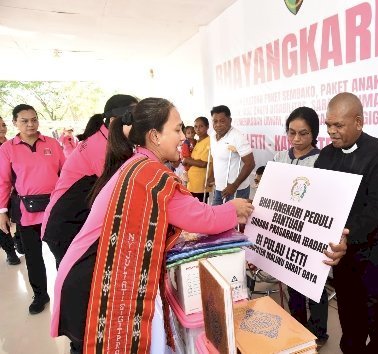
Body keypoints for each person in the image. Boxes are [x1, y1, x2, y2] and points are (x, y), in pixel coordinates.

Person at [50, 98, 255, 354]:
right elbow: (201, 218)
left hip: (87, 274)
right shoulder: (150, 175)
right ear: (155, 136)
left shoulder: (140, 163)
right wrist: (234, 209)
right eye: (178, 129)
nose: (184, 136)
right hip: (92, 282)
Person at [314, 93, 378, 353]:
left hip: (377, 256)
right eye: (328, 125)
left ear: (359, 122)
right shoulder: (326, 156)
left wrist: (346, 235)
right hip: (344, 257)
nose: (331, 131)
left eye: (338, 125)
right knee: (350, 322)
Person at [42, 95, 138, 268]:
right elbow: (122, 193)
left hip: (79, 220)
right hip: (65, 224)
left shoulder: (110, 140)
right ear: (115, 119)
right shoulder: (101, 146)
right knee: (75, 285)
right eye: (132, 116)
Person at [0, 104, 65, 314]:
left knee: (62, 255)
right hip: (26, 211)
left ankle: (65, 292)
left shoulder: (52, 143)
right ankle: (40, 295)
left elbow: (66, 174)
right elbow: (3, 182)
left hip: (54, 210)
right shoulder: (7, 148)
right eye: (25, 121)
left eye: (34, 119)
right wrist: (2, 212)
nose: (31, 124)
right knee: (34, 257)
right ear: (15, 123)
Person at [273, 106, 329, 347]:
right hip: (288, 230)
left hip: (312, 232)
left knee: (315, 284)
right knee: (292, 281)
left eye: (303, 133)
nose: (296, 139)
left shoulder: (323, 160)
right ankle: (298, 327)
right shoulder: (280, 158)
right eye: (291, 132)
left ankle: (319, 332)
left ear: (314, 134)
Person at [209, 105, 255, 204]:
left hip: (236, 190)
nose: (218, 125)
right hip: (219, 188)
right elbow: (215, 158)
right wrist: (211, 175)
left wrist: (234, 185)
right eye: (215, 121)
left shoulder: (237, 137)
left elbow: (250, 164)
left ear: (230, 120)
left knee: (235, 219)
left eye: (222, 121)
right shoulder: (212, 136)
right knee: (217, 217)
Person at [0, 116, 20, 265]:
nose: (2, 128)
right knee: (2, 222)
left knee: (19, 216)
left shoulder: (10, 144)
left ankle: (19, 241)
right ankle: (10, 252)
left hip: (14, 189)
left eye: (3, 125)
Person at [184, 116, 211, 202]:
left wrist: (187, 160)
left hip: (200, 185)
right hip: (192, 184)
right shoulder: (196, 141)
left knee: (201, 212)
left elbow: (204, 163)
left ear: (207, 127)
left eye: (201, 126)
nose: (198, 129)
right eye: (195, 126)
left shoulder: (209, 141)